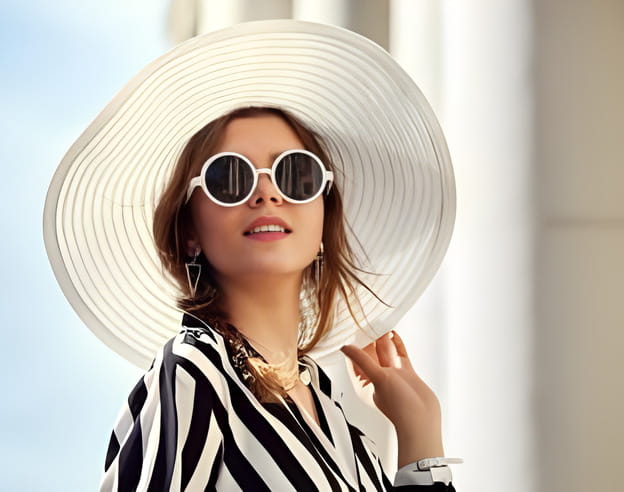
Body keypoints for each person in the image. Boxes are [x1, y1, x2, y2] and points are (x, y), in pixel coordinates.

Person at [44, 20, 459, 491]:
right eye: (229, 178)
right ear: (189, 233)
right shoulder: (195, 373)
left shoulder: (337, 418)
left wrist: (420, 435)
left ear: (324, 219)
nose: (266, 193)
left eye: (295, 173)